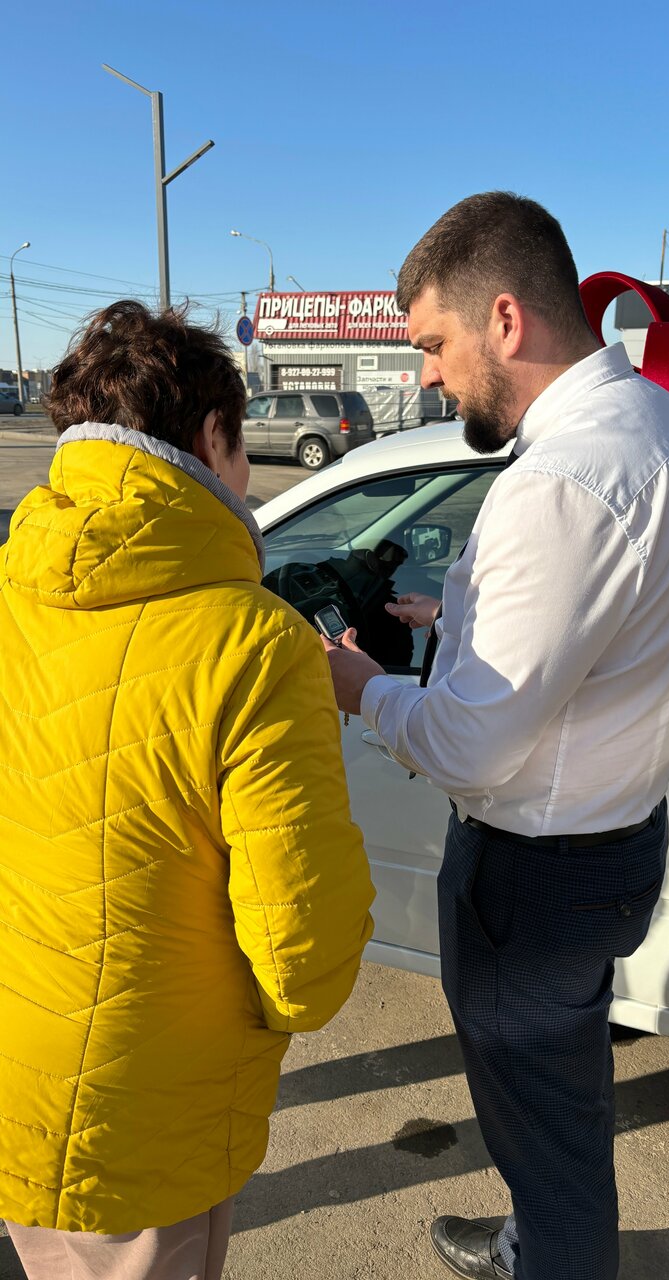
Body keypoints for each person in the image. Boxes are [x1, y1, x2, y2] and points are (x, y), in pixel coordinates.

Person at [322, 192, 669, 1280]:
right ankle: (542, 1238)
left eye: (433, 345)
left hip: (533, 877)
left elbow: (468, 747)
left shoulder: (557, 482)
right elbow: (609, 624)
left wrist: (362, 687)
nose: (428, 377)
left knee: (544, 1143)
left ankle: (547, 1251)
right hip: (615, 839)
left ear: (505, 319)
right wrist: (457, 622)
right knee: (563, 1101)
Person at [0, 301, 374, 1280]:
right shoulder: (255, 644)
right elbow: (303, 957)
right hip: (148, 1104)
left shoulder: (9, 585)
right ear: (213, 437)